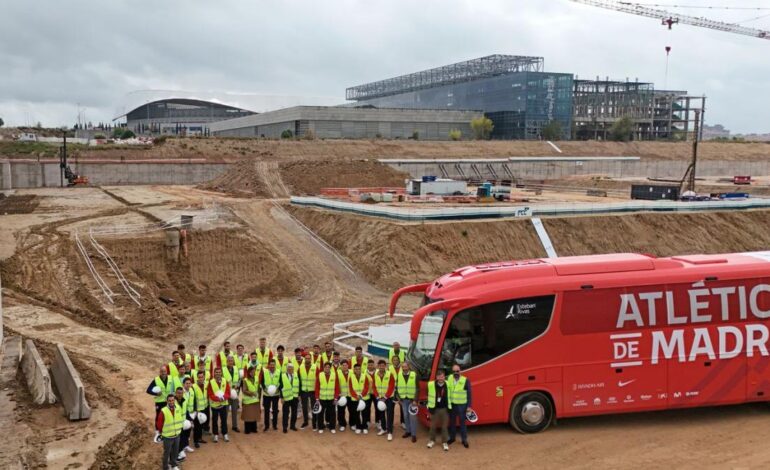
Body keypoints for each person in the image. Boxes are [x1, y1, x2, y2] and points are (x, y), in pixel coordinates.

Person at [156, 394, 184, 470]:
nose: (171, 402)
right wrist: (162, 433)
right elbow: (159, 424)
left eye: (172, 400)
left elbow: (180, 418)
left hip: (177, 435)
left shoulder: (178, 407)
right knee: (166, 453)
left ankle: (174, 465)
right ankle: (165, 467)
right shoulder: (163, 411)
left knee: (175, 452)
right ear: (167, 401)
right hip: (167, 437)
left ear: (174, 400)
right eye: (169, 400)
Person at [447, 364, 472, 448]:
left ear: (460, 371)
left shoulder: (465, 380)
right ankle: (452, 438)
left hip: (462, 406)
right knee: (452, 423)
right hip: (452, 405)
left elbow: (469, 394)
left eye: (457, 371)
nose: (455, 373)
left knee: (462, 423)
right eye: (454, 371)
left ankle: (464, 440)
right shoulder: (449, 378)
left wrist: (469, 406)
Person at [427, 369, 451, 451]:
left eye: (442, 376)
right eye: (439, 376)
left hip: (445, 409)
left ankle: (444, 442)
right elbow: (428, 395)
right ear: (436, 377)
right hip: (434, 409)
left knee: (444, 427)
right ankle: (432, 440)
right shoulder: (430, 384)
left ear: (444, 377)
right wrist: (429, 407)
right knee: (433, 426)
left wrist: (450, 407)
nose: (441, 378)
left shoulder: (448, 384)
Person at [372, 359, 396, 441]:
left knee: (389, 415)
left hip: (389, 398)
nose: (382, 367)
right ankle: (383, 429)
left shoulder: (390, 374)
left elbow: (392, 386)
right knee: (381, 413)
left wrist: (385, 397)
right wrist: (378, 397)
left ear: (385, 366)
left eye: (383, 366)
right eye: (380, 366)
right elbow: (374, 387)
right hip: (380, 398)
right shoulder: (375, 374)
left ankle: (389, 432)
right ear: (378, 366)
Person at [206, 367, 231, 443]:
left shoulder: (225, 381)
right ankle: (215, 434)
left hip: (223, 404)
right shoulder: (211, 382)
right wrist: (217, 399)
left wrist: (224, 398)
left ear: (221, 373)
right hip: (214, 405)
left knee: (224, 420)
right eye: (216, 372)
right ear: (214, 373)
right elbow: (210, 393)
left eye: (219, 372)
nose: (218, 373)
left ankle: (225, 433)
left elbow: (228, 392)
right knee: (214, 420)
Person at [315, 362, 340, 434]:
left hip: (331, 398)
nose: (327, 368)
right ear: (324, 368)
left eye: (328, 367)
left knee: (332, 413)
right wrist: (317, 398)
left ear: (330, 368)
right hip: (322, 398)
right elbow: (317, 387)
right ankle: (320, 427)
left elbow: (337, 387)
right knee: (320, 413)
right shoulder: (320, 375)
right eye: (326, 367)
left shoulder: (334, 375)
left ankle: (332, 427)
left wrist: (336, 398)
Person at [397, 362, 418, 443]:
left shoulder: (414, 374)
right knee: (405, 416)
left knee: (412, 417)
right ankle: (408, 431)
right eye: (403, 367)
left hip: (412, 400)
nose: (404, 368)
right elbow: (397, 386)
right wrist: (398, 398)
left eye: (405, 366)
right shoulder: (399, 375)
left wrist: (415, 400)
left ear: (409, 367)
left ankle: (413, 434)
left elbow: (417, 388)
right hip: (403, 399)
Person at [348, 363, 371, 434]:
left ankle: (364, 427)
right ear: (354, 370)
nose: (358, 370)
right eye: (356, 369)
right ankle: (358, 427)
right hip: (355, 399)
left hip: (364, 398)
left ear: (361, 369)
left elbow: (367, 387)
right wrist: (356, 396)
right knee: (356, 413)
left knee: (365, 413)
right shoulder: (351, 377)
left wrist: (361, 395)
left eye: (359, 369)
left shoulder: (365, 376)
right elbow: (350, 388)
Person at [298, 352, 318, 430]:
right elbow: (299, 380)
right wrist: (299, 393)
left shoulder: (315, 367)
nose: (307, 359)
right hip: (303, 391)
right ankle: (305, 422)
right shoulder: (301, 367)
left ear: (311, 359)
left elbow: (318, 380)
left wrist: (317, 392)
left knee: (314, 408)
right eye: (306, 358)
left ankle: (314, 423)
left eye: (309, 358)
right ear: (304, 359)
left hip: (312, 391)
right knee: (305, 407)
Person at [222, 356, 241, 433]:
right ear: (226, 361)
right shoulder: (223, 370)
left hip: (235, 393)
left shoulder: (236, 369)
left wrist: (238, 386)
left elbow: (239, 379)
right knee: (225, 411)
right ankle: (224, 426)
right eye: (229, 360)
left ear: (233, 361)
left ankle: (234, 426)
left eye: (232, 361)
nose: (230, 362)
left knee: (234, 411)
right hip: (226, 394)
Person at [262, 359, 281, 431]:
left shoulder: (279, 372)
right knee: (266, 410)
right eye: (271, 365)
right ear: (269, 365)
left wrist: (277, 389)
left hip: (276, 395)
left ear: (275, 365)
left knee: (275, 410)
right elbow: (262, 382)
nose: (272, 366)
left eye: (273, 364)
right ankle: (266, 426)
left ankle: (274, 425)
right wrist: (265, 389)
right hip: (266, 395)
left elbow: (281, 382)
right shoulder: (265, 372)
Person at [241, 366, 261, 434]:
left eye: (254, 371)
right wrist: (252, 393)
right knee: (247, 416)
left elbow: (258, 388)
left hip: (255, 400)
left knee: (254, 415)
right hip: (248, 401)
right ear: (248, 372)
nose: (253, 373)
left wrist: (258, 396)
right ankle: (247, 430)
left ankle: (254, 429)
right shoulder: (245, 380)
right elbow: (244, 390)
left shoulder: (256, 378)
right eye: (251, 372)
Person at [280, 362, 300, 433]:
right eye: (289, 368)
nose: (290, 370)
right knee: (285, 413)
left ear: (293, 369)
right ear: (286, 369)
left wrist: (299, 395)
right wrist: (281, 397)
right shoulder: (282, 376)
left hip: (295, 397)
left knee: (294, 413)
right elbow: (281, 387)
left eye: (291, 368)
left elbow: (299, 385)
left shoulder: (296, 375)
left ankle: (292, 426)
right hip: (286, 398)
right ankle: (285, 427)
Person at [192, 371, 209, 448]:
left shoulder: (206, 385)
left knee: (201, 425)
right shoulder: (193, 387)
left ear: (204, 377)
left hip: (205, 407)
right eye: (199, 377)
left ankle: (200, 438)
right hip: (198, 410)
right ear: (197, 378)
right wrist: (195, 409)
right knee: (197, 426)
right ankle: (196, 441)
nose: (201, 378)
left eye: (202, 377)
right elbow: (193, 399)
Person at [180, 378, 196, 456]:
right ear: (183, 384)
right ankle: (181, 448)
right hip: (183, 415)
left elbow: (193, 401)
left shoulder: (191, 391)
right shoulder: (181, 392)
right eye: (186, 383)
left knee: (188, 431)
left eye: (189, 383)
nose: (188, 385)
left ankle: (186, 446)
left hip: (191, 413)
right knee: (182, 432)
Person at [389, 356, 405, 430]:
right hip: (392, 390)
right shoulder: (389, 368)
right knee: (391, 408)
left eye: (397, 360)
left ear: (399, 361)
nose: (395, 361)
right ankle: (390, 424)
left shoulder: (403, 368)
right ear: (392, 361)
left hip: (400, 390)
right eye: (394, 360)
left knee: (402, 407)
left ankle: (403, 422)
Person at [336, 360, 351, 431]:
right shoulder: (337, 373)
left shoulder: (352, 372)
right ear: (341, 366)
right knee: (341, 411)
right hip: (341, 395)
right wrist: (338, 394)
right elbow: (336, 384)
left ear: (348, 366)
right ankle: (342, 424)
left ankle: (352, 423)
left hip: (350, 395)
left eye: (346, 365)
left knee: (352, 410)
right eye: (343, 365)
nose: (345, 366)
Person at [365, 361, 377, 430]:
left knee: (377, 408)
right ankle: (367, 421)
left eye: (371, 365)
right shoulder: (364, 373)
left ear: (374, 365)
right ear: (367, 366)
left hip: (376, 393)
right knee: (367, 408)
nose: (370, 366)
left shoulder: (378, 372)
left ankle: (378, 422)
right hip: (368, 394)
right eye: (369, 365)